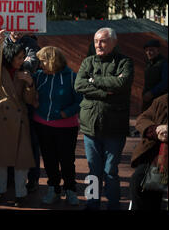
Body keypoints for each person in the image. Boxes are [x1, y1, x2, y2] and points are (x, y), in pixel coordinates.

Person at [75, 27, 134, 210]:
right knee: (93, 170)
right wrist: (106, 91)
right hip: (90, 128)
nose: (98, 45)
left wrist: (94, 81)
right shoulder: (88, 62)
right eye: (95, 41)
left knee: (110, 170)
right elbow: (79, 85)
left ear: (113, 42)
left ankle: (113, 204)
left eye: (102, 41)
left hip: (114, 128)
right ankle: (92, 203)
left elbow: (122, 83)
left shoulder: (125, 62)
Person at [0, 31, 36, 207]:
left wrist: (29, 83)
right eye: (19, 57)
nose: (23, 60)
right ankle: (0, 191)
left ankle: (21, 194)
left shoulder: (25, 72)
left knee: (22, 161)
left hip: (21, 121)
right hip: (1, 120)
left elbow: (30, 100)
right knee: (1, 160)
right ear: (11, 56)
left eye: (23, 57)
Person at [33, 46, 82, 205]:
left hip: (66, 127)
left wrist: (65, 114)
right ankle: (53, 188)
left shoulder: (72, 77)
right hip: (42, 124)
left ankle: (70, 190)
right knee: (49, 160)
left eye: (43, 62)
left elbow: (80, 101)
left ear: (52, 61)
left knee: (67, 160)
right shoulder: (39, 76)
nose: (40, 65)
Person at [5, 31, 41, 192]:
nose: (16, 30)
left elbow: (33, 63)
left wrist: (12, 64)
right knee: (9, 140)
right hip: (8, 102)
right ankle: (10, 178)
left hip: (26, 100)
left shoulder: (31, 43)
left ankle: (33, 178)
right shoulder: (1, 40)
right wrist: (19, 62)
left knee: (31, 141)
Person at [130, 93, 167, 210]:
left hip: (164, 162)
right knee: (139, 181)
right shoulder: (162, 101)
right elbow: (142, 119)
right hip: (158, 159)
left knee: (154, 185)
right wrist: (155, 129)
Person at [142, 39, 168, 112]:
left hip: (160, 102)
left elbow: (165, 82)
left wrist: (152, 93)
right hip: (147, 101)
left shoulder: (164, 63)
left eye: (151, 50)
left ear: (158, 50)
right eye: (146, 50)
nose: (148, 52)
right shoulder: (148, 64)